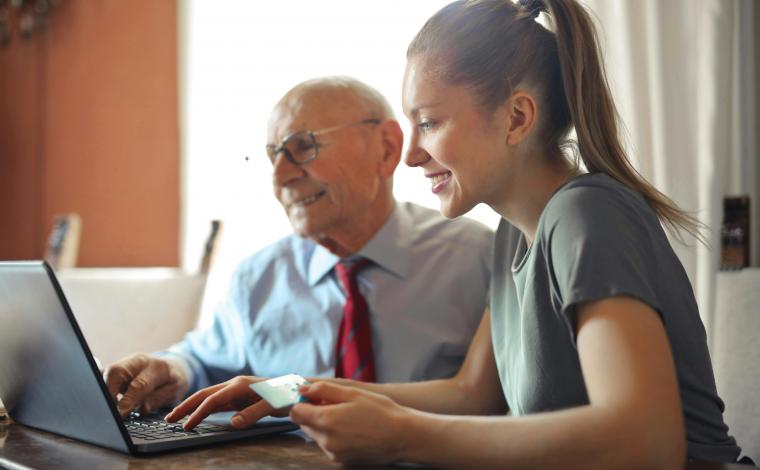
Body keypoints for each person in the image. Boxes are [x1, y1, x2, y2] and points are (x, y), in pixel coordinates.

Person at [165, 0, 749, 467]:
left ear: (518, 118)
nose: (413, 153)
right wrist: (288, 392)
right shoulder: (512, 236)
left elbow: (645, 443)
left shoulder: (586, 215)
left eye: (430, 121)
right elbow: (473, 394)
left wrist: (401, 437)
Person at [104, 76, 493, 418]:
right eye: (274, 155)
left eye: (302, 147)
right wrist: (170, 370)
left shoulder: (478, 259)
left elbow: (490, 401)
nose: (280, 177)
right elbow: (203, 362)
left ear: (387, 148)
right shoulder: (258, 277)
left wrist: (290, 392)